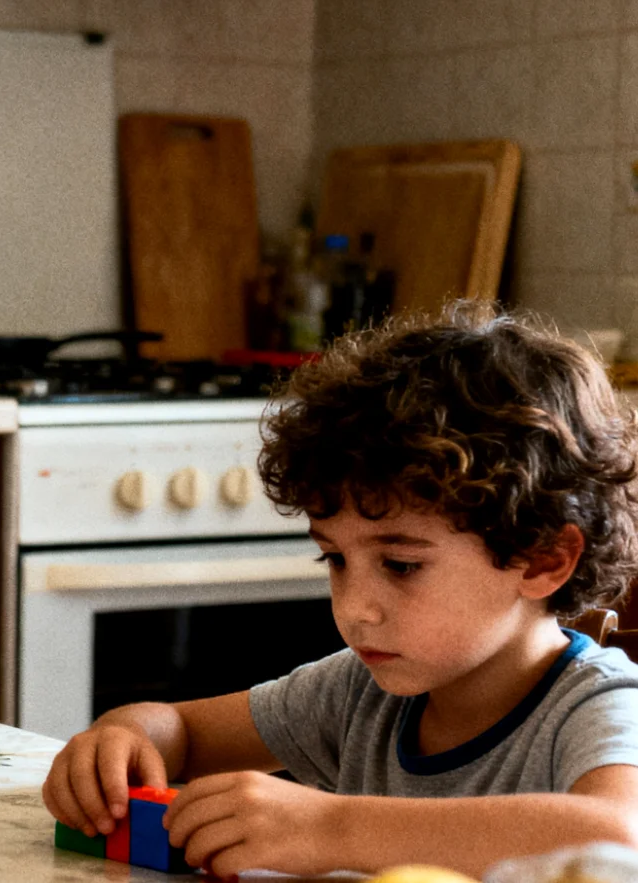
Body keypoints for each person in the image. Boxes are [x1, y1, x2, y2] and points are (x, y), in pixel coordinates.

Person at [42, 302, 638, 879]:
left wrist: (332, 826)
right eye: (335, 559)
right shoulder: (358, 696)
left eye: (401, 565)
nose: (354, 608)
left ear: (543, 560)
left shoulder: (597, 705)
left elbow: (619, 837)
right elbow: (183, 730)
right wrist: (120, 738)